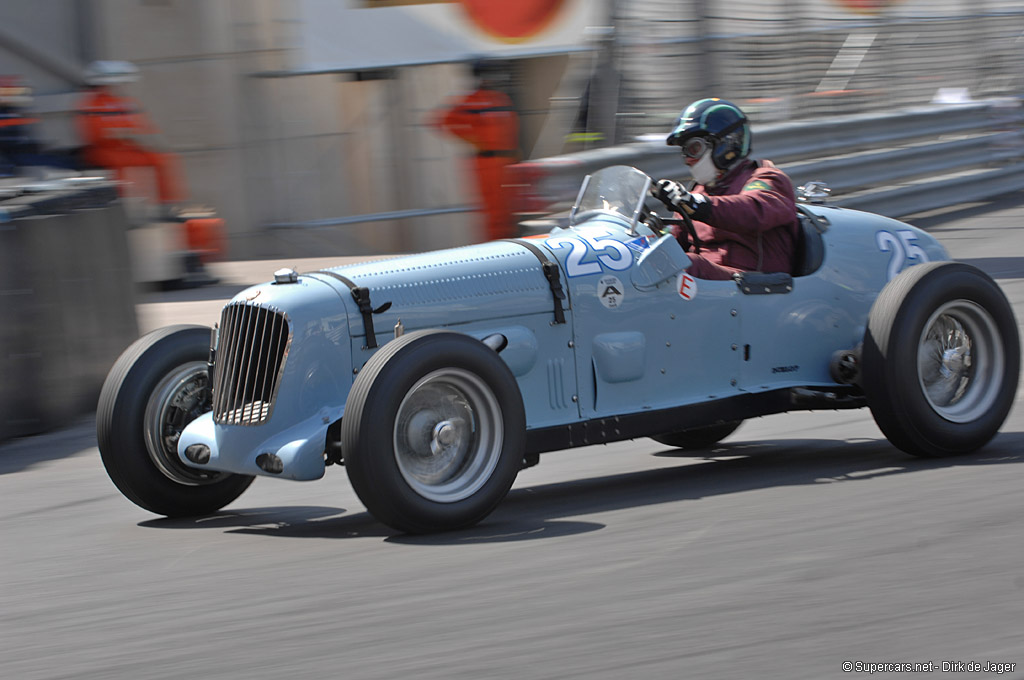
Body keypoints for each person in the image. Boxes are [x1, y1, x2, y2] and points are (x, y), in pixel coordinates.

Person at [650, 98, 799, 280]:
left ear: (725, 144)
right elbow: (673, 241)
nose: (688, 159)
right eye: (685, 152)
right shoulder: (697, 192)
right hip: (712, 291)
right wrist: (651, 231)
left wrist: (697, 205)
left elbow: (753, 210)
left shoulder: (766, 178)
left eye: (694, 148)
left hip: (756, 285)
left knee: (689, 266)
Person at [75, 60, 185, 205]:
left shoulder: (126, 102)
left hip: (128, 146)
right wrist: (121, 133)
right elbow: (93, 134)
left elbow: (144, 126)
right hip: (102, 150)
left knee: (162, 159)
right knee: (118, 166)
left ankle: (167, 204)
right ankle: (121, 206)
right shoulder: (90, 103)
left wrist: (139, 135)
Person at [433, 60, 520, 241]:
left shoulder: (501, 99)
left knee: (509, 207)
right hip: (486, 162)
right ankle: (495, 248)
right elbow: (442, 121)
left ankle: (509, 244)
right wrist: (472, 139)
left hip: (505, 161)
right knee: (493, 210)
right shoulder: (472, 101)